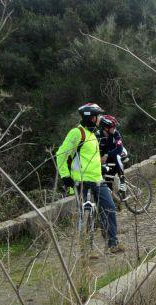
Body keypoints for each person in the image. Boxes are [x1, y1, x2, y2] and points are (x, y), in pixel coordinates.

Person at [56, 103, 124, 254]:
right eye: (97, 117)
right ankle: (86, 250)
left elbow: (92, 158)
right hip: (81, 181)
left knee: (110, 208)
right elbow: (61, 154)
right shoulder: (76, 133)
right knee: (84, 215)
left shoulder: (93, 135)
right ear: (90, 118)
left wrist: (101, 168)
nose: (99, 120)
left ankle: (112, 243)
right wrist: (65, 176)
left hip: (98, 179)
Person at [97, 114, 128, 198]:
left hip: (118, 153)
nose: (115, 129)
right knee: (108, 179)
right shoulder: (97, 136)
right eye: (113, 127)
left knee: (116, 157)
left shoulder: (116, 133)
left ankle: (122, 182)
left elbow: (119, 149)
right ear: (105, 127)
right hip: (105, 158)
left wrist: (107, 155)